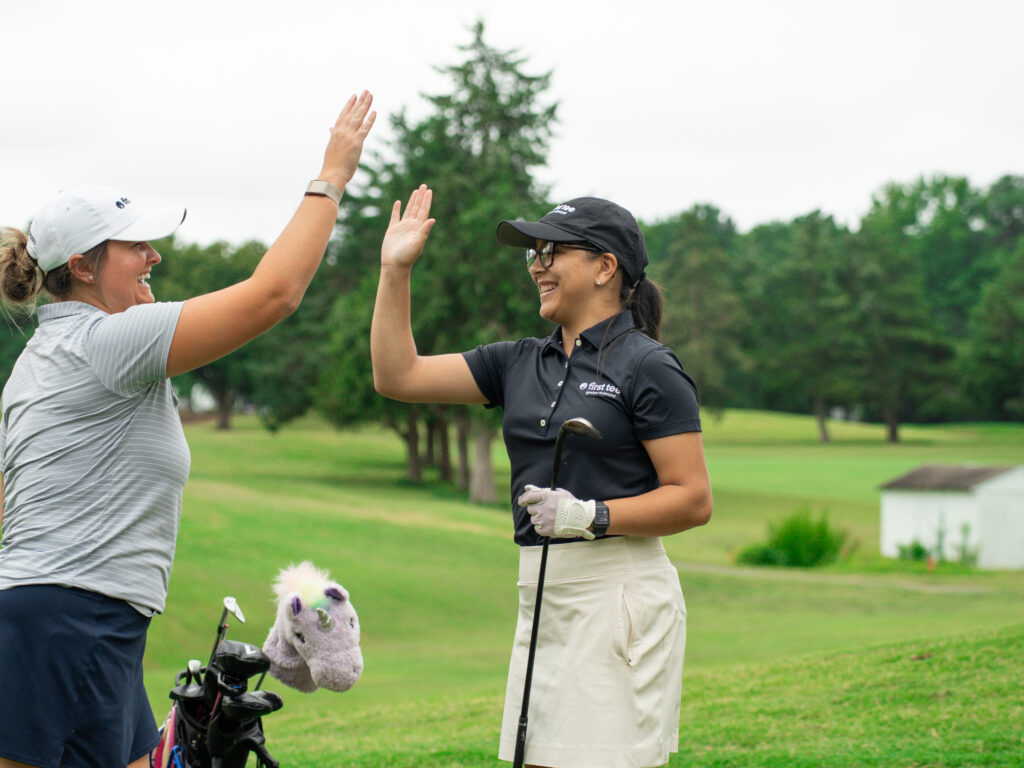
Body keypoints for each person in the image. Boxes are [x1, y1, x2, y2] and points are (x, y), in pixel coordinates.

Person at [0, 91, 375, 768]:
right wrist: (333, 178)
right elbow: (273, 295)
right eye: (134, 245)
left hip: (74, 618)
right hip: (67, 619)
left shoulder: (41, 359)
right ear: (82, 267)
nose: (154, 256)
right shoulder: (109, 340)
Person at [371, 186, 713, 768]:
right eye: (534, 253)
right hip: (541, 594)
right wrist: (394, 271)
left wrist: (591, 516)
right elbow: (397, 375)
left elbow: (692, 499)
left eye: (553, 250)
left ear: (606, 267)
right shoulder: (518, 361)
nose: (537, 264)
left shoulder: (649, 365)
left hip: (618, 595)